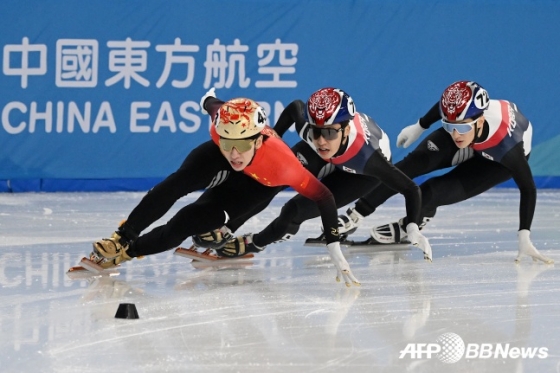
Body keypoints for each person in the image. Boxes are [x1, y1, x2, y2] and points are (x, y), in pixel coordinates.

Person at [84, 92, 360, 286]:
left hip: (257, 183)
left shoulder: (284, 165)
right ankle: (121, 237)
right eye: (227, 142)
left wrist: (334, 248)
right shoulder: (224, 129)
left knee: (187, 222)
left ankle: (128, 252)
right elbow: (212, 103)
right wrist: (209, 103)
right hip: (217, 159)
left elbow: (325, 197)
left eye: (241, 144)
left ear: (257, 139)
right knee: (176, 184)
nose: (234, 153)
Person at [335, 80, 553, 264]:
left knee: (431, 193)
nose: (456, 134)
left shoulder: (508, 148)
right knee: (410, 165)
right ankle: (356, 215)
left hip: (495, 163)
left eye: (462, 127)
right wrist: (420, 126)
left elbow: (528, 188)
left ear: (480, 121)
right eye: (449, 126)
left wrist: (524, 236)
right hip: (477, 138)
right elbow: (443, 107)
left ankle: (412, 223)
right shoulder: (459, 115)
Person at [221, 87, 432, 261]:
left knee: (293, 211)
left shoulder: (368, 158)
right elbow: (295, 107)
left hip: (359, 174)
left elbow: (410, 188)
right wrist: (274, 140)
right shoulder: (317, 135)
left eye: (329, 132)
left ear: (346, 130)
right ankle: (226, 226)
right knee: (272, 177)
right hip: (329, 155)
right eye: (316, 132)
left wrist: (412, 226)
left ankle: (255, 243)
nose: (322, 140)